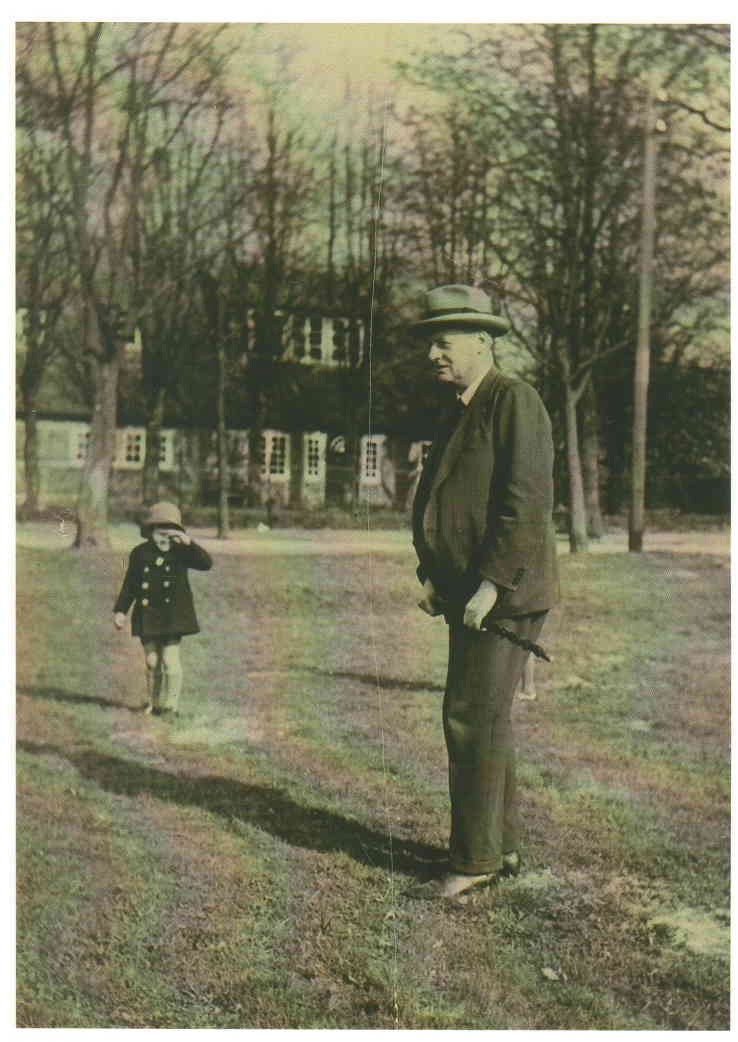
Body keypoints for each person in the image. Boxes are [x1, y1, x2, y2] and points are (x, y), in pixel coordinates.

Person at [411, 284, 560, 898]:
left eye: (443, 343)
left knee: (470, 717)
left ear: (482, 341)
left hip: (505, 594)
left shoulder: (514, 401)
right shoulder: (463, 408)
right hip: (468, 591)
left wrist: (491, 585)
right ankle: (501, 849)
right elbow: (446, 498)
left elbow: (524, 506)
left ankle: (473, 865)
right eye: (430, 344)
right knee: (488, 720)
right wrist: (434, 574)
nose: (433, 355)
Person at [113, 501, 213, 718]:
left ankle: (171, 706)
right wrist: (121, 611)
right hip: (147, 614)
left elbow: (206, 564)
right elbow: (130, 584)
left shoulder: (181, 552)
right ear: (150, 532)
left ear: (177, 533)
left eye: (169, 531)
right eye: (158, 531)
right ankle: (153, 703)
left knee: (170, 660)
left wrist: (190, 544)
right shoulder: (140, 553)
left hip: (172, 615)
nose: (163, 537)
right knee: (151, 661)